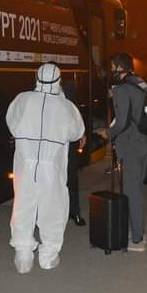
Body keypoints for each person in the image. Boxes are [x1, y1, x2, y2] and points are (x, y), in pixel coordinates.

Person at [6, 63, 85, 273]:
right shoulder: (65, 106)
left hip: (25, 164)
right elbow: (77, 132)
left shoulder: (22, 99)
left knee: (23, 207)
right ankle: (48, 257)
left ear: (37, 77)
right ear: (59, 80)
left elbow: (12, 123)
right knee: (53, 208)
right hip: (52, 166)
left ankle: (23, 257)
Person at [97, 52, 147, 251]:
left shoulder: (122, 89)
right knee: (137, 188)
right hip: (146, 141)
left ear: (119, 67)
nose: (111, 70)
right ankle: (138, 229)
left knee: (132, 192)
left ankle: (137, 238)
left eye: (113, 66)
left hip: (131, 145)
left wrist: (108, 133)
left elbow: (121, 122)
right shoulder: (141, 83)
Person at [62, 79, 88, 226]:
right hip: (60, 145)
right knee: (67, 180)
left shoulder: (66, 92)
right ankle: (71, 212)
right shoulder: (41, 93)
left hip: (66, 144)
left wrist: (81, 133)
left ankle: (73, 211)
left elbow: (76, 115)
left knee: (69, 179)